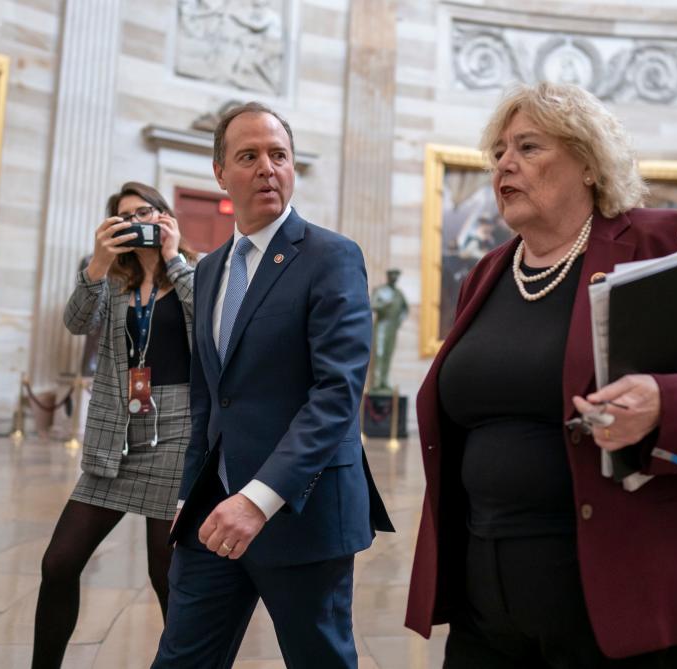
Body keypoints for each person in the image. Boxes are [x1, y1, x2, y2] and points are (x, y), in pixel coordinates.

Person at [404, 82, 677, 668]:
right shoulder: (486, 273)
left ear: (588, 162)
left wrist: (667, 403)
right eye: (499, 153)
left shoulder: (670, 241)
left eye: (529, 148)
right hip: (488, 602)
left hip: (637, 597)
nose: (504, 164)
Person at [153, 101, 393, 668]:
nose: (267, 167)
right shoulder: (210, 268)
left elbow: (336, 395)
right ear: (220, 173)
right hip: (213, 516)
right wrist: (191, 496)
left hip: (301, 513)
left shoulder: (332, 257)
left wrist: (258, 501)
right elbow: (209, 396)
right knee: (180, 658)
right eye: (249, 155)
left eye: (279, 155)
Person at [35, 182, 196, 668]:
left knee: (165, 570)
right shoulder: (112, 280)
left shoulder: (200, 269)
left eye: (145, 211)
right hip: (117, 430)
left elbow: (212, 319)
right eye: (125, 217)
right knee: (58, 562)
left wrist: (174, 259)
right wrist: (97, 264)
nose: (137, 221)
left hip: (177, 430)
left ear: (165, 216)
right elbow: (76, 322)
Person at [369, 268, 409, 393]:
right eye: (393, 274)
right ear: (388, 276)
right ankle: (376, 383)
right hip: (381, 325)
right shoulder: (380, 290)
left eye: (397, 275)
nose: (395, 277)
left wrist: (399, 321)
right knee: (379, 354)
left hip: (392, 327)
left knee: (388, 354)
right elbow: (372, 305)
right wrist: (384, 305)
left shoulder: (399, 293)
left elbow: (405, 309)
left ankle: (384, 381)